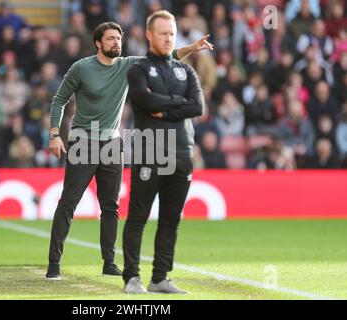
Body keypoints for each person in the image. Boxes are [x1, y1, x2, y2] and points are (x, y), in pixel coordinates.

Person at [45, 21, 211, 280]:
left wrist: (191, 48)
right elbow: (59, 99)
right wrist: (55, 134)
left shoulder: (127, 66)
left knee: (110, 206)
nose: (116, 43)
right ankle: (54, 264)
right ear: (98, 43)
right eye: (111, 39)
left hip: (113, 143)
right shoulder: (81, 68)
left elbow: (162, 58)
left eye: (119, 39)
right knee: (69, 203)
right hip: (83, 143)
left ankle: (109, 262)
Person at [122, 10, 211, 294]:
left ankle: (160, 278)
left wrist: (166, 107)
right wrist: (178, 102)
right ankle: (132, 278)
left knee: (171, 220)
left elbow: (197, 106)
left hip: (183, 153)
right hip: (151, 152)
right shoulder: (137, 69)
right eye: (163, 33)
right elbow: (145, 100)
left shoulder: (186, 70)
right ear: (149, 35)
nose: (168, 38)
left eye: (172, 33)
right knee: (138, 217)